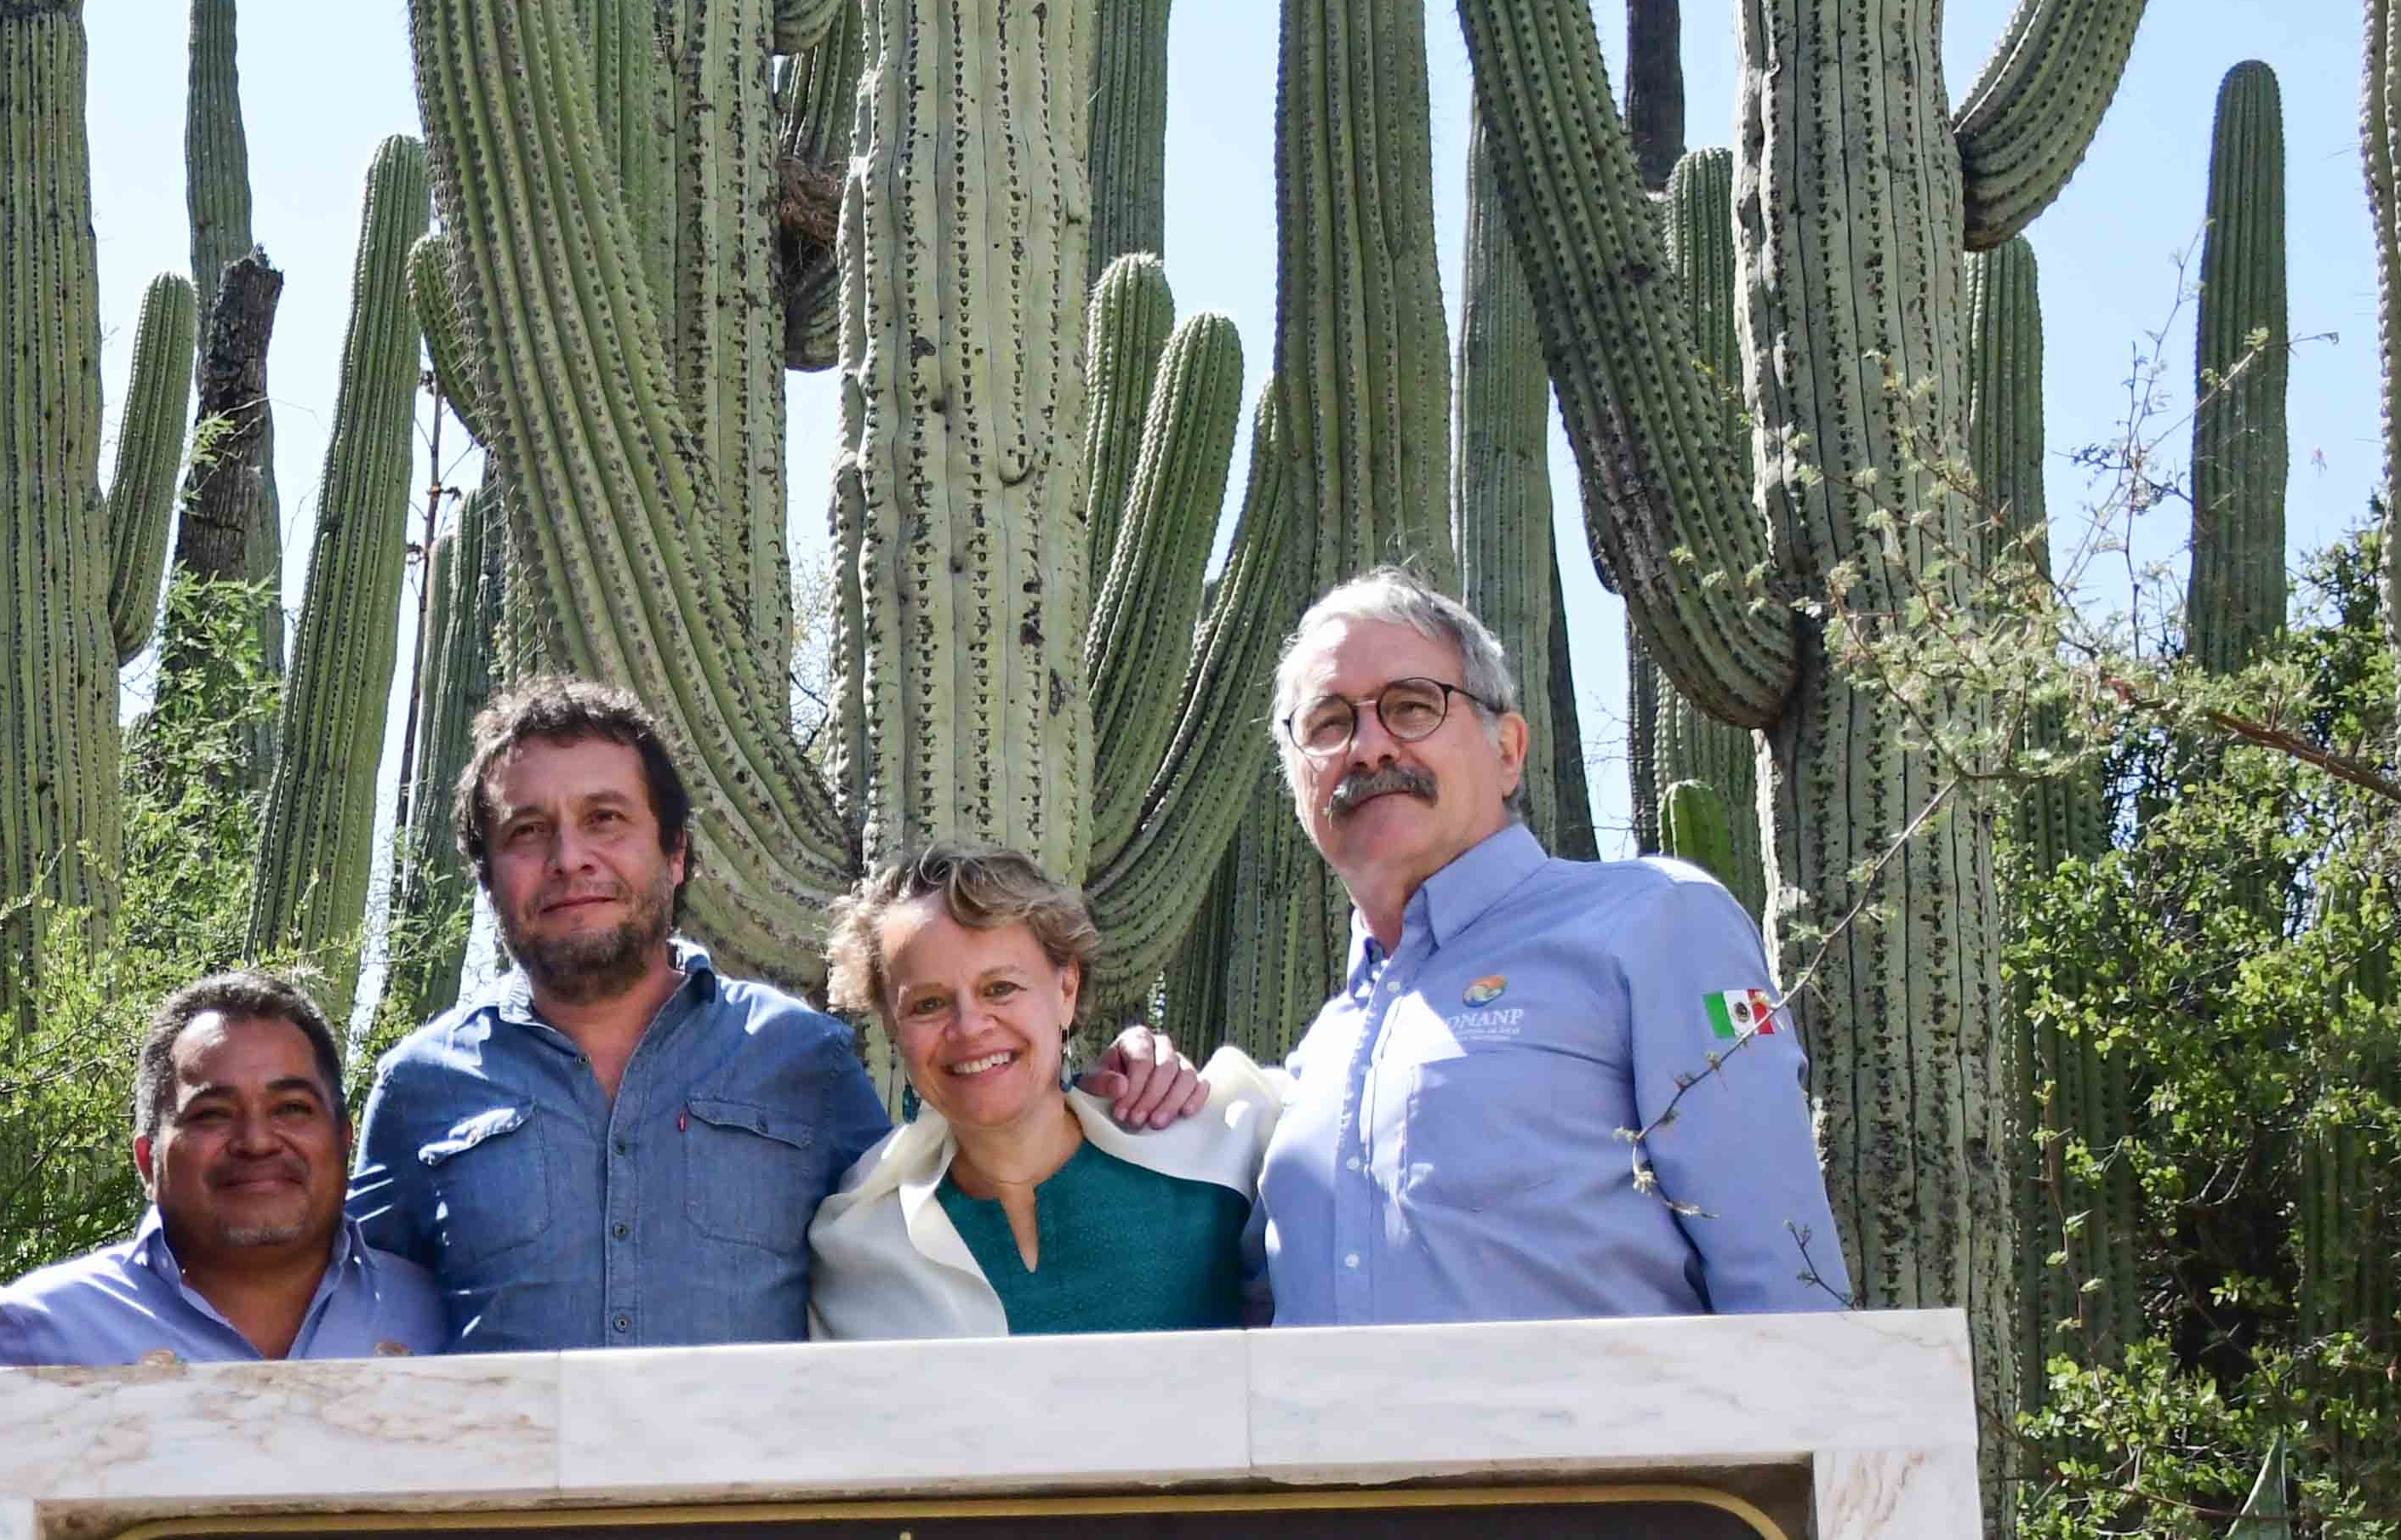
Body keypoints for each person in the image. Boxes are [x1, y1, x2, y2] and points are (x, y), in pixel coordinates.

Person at [1097, 567, 1848, 1320]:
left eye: (1411, 707)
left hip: (1615, 1441)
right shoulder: (1325, 1052)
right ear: (1297, 781)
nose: (1367, 747)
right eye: (1328, 723)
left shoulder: (1652, 924)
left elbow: (1780, 1274)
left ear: (1508, 750)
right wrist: (1149, 1099)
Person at [352, 676, 890, 1348]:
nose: (569, 859)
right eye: (527, 831)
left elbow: (896, 1291)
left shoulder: (805, 1060)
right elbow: (361, 1333)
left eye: (604, 819)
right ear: (488, 879)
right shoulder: (418, 1089)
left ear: (675, 855)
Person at [806, 841, 1282, 1339]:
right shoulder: (855, 1242)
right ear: (890, 1024)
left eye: (1000, 989)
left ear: (1066, 989)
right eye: (928, 1004)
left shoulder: (1223, 1150)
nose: (969, 1027)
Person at [0, 970, 450, 1365]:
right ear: (146, 1163)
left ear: (344, 1139)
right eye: (212, 1114)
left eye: (292, 1108)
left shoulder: (442, 1320)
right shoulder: (40, 1335)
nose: (257, 1142)